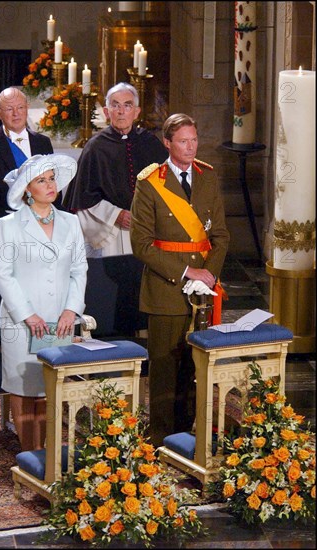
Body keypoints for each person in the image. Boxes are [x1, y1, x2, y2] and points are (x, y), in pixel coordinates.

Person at [130, 113, 230, 447]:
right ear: (168, 143)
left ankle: (189, 438)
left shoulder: (208, 178)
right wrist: (188, 272)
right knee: (163, 369)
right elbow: (141, 245)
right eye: (183, 141)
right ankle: (160, 440)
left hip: (202, 292)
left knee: (194, 367)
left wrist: (209, 276)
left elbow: (221, 236)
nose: (190, 147)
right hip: (166, 289)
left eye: (194, 140)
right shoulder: (150, 183)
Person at [0, 154, 87, 451]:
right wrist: (27, 314)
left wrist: (72, 309)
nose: (49, 185)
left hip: (59, 320)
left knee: (48, 387)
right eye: (41, 180)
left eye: (52, 178)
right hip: (21, 322)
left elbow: (79, 269)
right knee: (23, 387)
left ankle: (44, 454)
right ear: (26, 189)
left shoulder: (71, 223)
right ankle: (28, 456)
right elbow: (2, 275)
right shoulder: (7, 225)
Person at [63, 82, 168, 257]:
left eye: (127, 105)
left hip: (150, 230)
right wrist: (116, 215)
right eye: (115, 105)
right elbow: (82, 198)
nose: (121, 111)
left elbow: (166, 188)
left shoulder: (150, 143)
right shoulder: (95, 148)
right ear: (106, 112)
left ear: (136, 112)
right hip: (111, 233)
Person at [0, 87, 62, 258]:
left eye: (20, 107)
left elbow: (55, 187)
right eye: (9, 109)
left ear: (27, 108)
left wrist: (47, 222)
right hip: (6, 234)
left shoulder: (43, 143)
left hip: (44, 231)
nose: (16, 114)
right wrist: (14, 226)